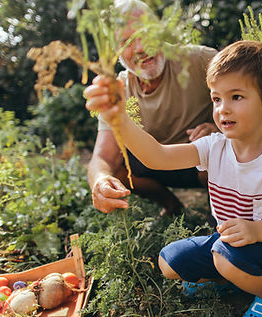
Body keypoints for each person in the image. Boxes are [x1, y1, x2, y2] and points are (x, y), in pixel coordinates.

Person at [85, 40, 262, 317]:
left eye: (236, 97)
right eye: (216, 99)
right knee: (169, 261)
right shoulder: (213, 146)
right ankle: (228, 280)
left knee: (223, 255)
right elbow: (157, 157)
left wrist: (257, 231)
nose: (223, 109)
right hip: (229, 245)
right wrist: (119, 119)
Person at [86, 0, 218, 216]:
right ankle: (172, 206)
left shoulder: (201, 61)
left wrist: (220, 129)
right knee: (118, 169)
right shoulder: (117, 90)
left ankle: (221, 214)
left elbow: (250, 101)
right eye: (126, 41)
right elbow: (102, 157)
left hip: (202, 163)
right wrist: (100, 180)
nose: (140, 48)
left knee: (222, 151)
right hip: (156, 165)